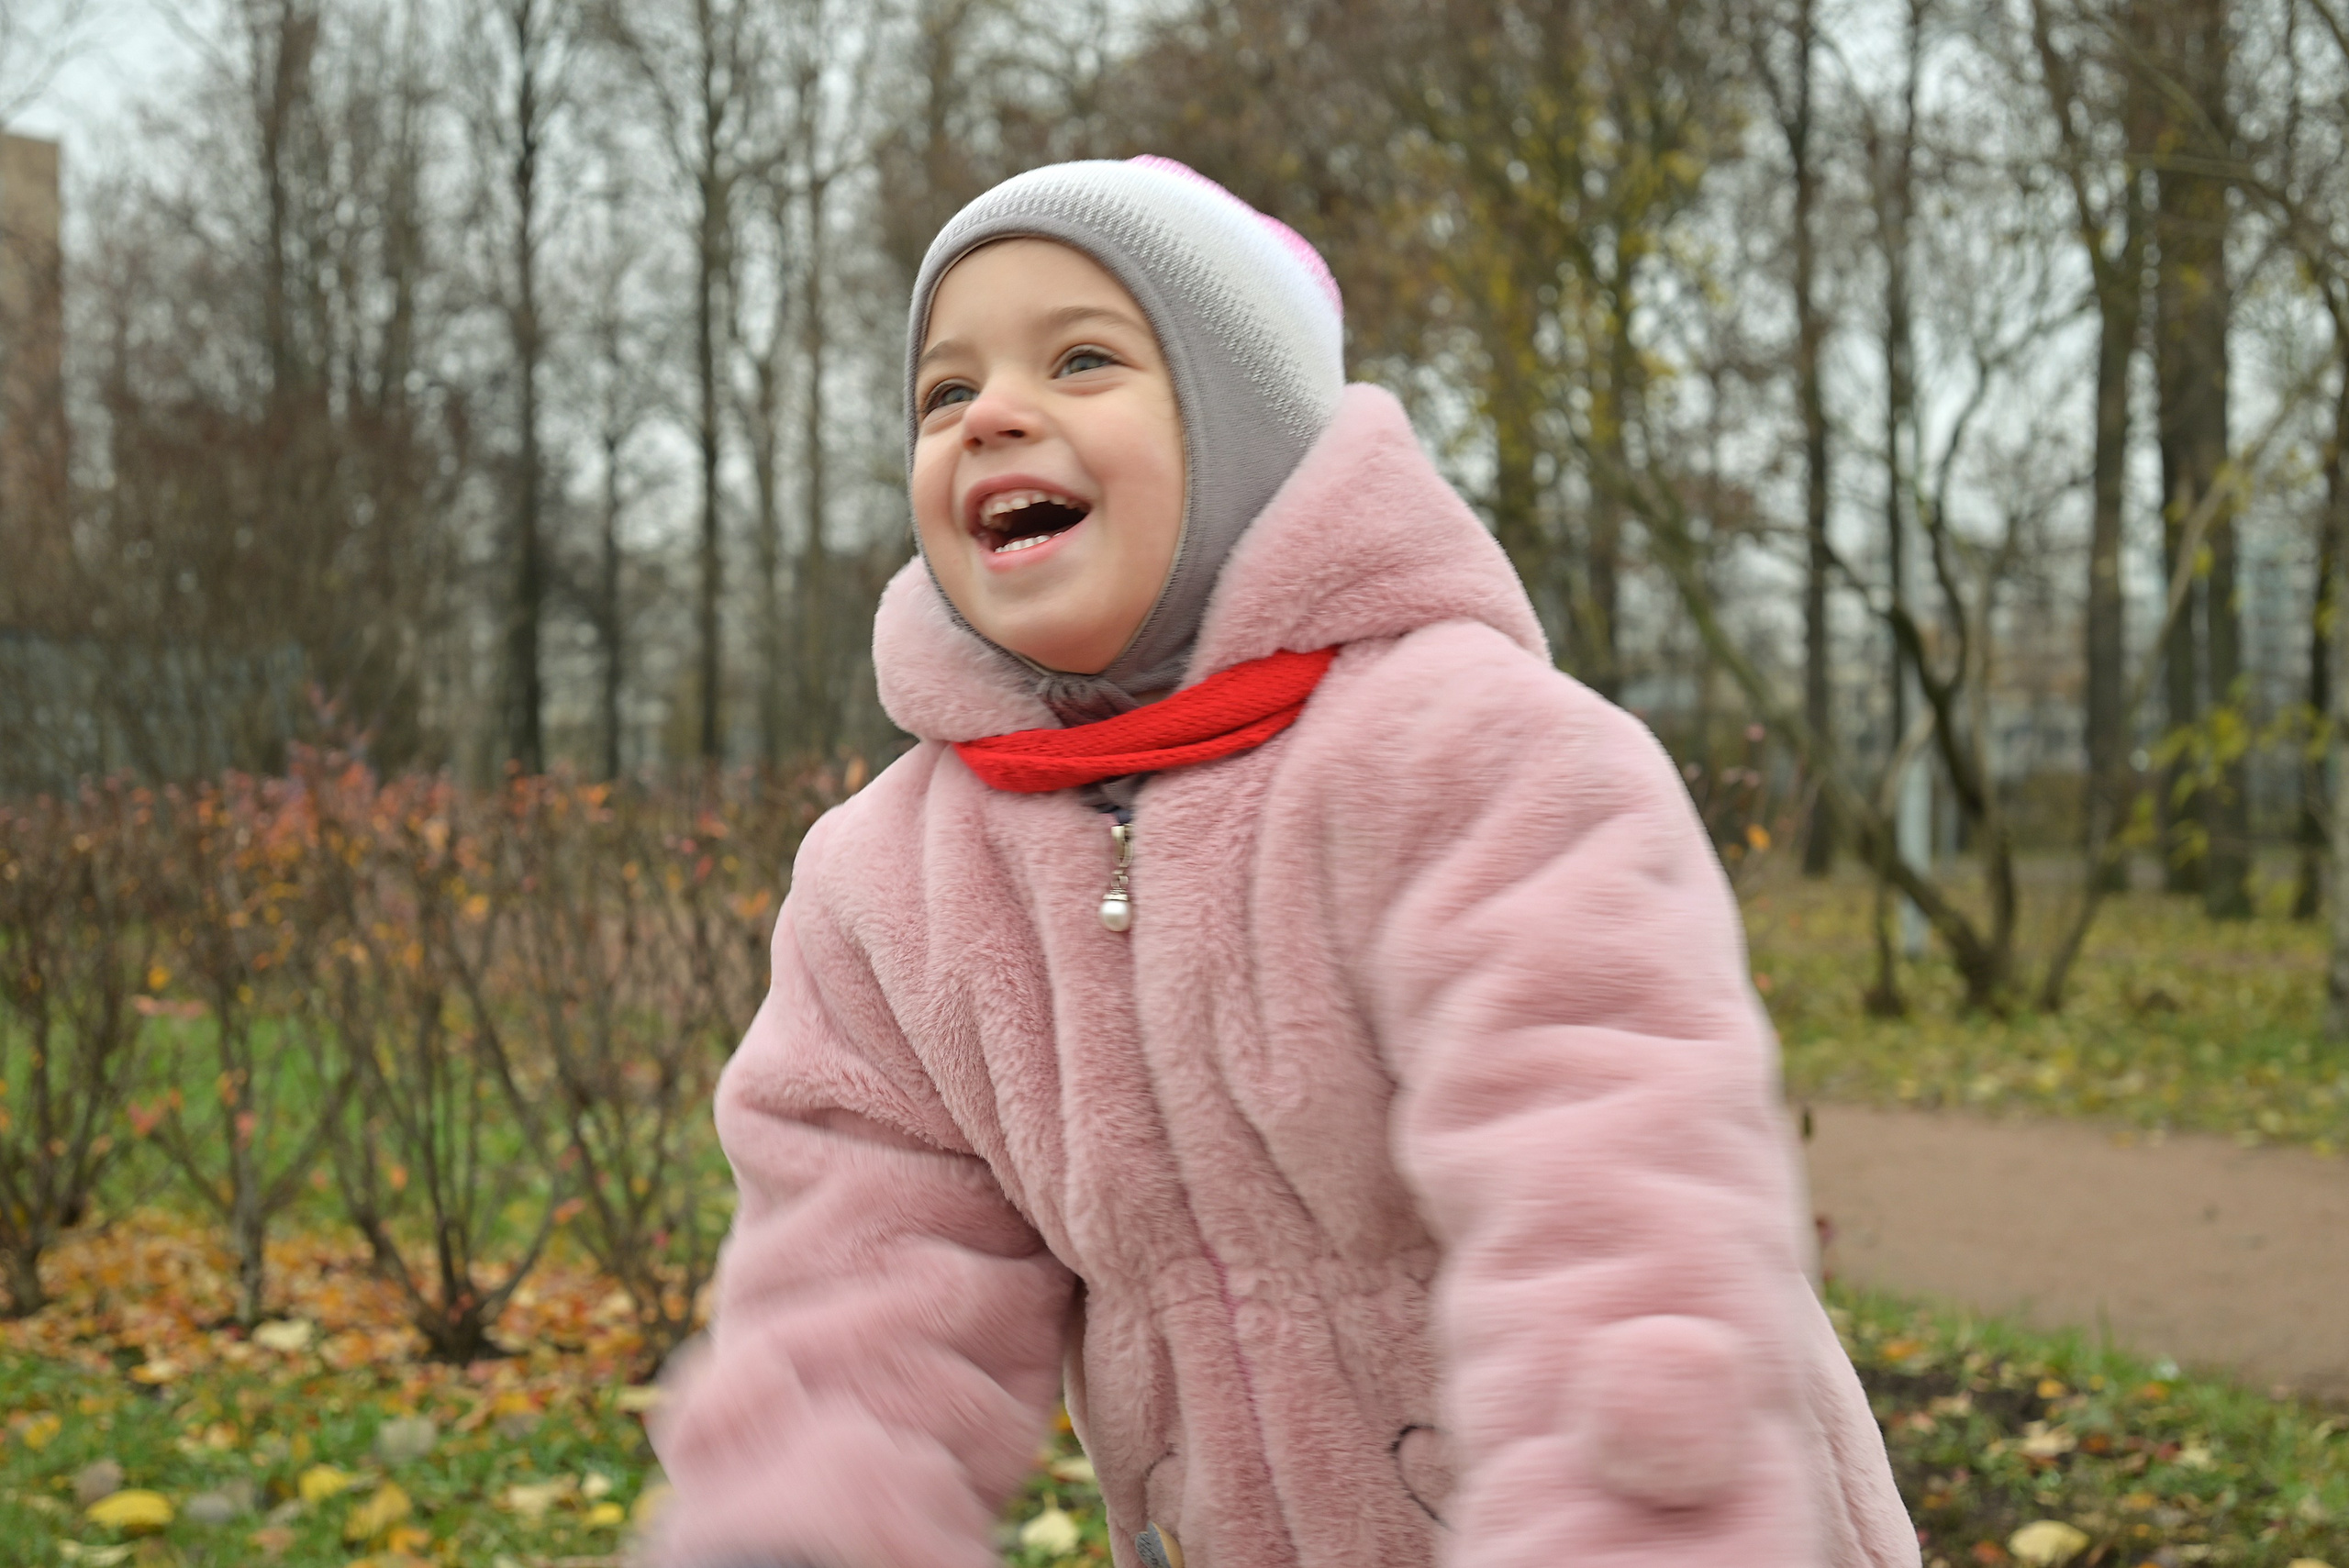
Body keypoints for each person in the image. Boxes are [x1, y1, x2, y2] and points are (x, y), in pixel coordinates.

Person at [645, 156, 1918, 1568]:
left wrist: (1639, 1520)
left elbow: (1613, 1218)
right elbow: (859, 1307)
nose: (993, 412)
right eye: (945, 392)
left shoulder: (1471, 760)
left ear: (1247, 432)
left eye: (1082, 359)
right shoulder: (893, 888)